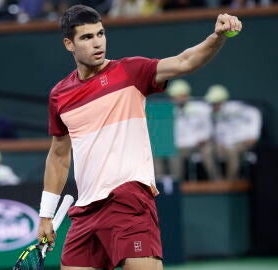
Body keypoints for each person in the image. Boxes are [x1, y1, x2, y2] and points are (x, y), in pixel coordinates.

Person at [37, 5, 242, 270]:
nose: (97, 43)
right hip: (85, 211)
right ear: (69, 44)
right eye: (87, 38)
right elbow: (59, 156)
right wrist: (45, 215)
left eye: (100, 34)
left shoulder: (130, 71)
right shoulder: (60, 95)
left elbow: (184, 61)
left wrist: (217, 37)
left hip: (128, 198)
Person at [154, 79, 220, 181]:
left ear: (185, 95)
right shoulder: (170, 110)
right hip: (180, 146)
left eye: (178, 96)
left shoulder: (201, 108)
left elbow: (208, 128)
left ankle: (218, 182)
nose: (175, 99)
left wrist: (203, 139)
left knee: (208, 151)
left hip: (200, 144)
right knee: (171, 153)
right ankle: (176, 186)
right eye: (173, 96)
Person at [205, 84, 262, 180]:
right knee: (207, 151)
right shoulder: (211, 113)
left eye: (215, 103)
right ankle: (217, 181)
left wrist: (253, 135)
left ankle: (231, 182)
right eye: (212, 103)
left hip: (241, 141)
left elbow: (254, 113)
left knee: (232, 151)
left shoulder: (236, 108)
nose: (213, 105)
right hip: (223, 144)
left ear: (221, 101)